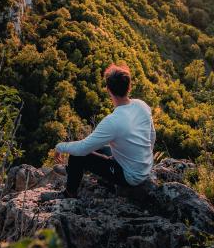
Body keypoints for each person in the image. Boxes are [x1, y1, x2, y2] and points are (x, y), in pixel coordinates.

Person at [46, 64, 156, 199]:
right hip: (145, 165)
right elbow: (152, 135)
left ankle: (69, 193)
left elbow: (81, 149)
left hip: (131, 177)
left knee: (77, 155)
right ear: (129, 87)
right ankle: (72, 170)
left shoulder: (113, 121)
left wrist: (60, 146)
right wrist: (142, 159)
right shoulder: (142, 105)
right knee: (100, 148)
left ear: (108, 90)